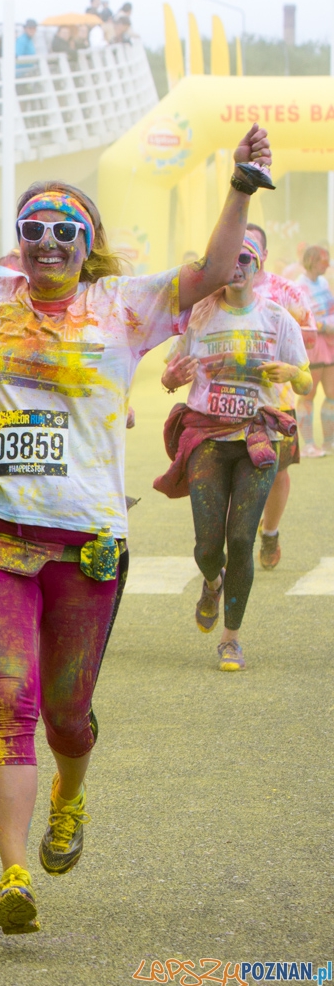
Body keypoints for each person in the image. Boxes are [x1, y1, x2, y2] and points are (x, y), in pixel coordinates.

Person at [0, 119, 271, 935]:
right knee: (12, 702)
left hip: (88, 540)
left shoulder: (126, 305)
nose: (44, 243)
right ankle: (10, 873)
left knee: (71, 713)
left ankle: (70, 799)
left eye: (62, 231)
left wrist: (242, 184)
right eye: (31, 230)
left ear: (87, 244)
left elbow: (214, 268)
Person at [155, 233, 309, 673]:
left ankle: (231, 638)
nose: (236, 267)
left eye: (245, 259)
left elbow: (304, 383)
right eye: (228, 260)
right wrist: (172, 375)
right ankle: (212, 580)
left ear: (258, 266)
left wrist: (291, 372)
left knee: (241, 537)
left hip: (258, 439)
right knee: (208, 545)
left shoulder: (278, 320)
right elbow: (170, 376)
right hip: (207, 437)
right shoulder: (198, 315)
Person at [246, 224, 317, 569]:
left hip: (279, 400)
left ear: (265, 253)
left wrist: (285, 360)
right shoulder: (216, 289)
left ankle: (270, 532)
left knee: (276, 471)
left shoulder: (285, 291)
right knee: (227, 470)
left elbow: (312, 341)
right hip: (230, 402)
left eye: (252, 248)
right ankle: (235, 537)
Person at [296, 244, 334, 455]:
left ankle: (329, 441)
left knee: (332, 394)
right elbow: (304, 316)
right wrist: (325, 325)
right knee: (308, 395)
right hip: (314, 345)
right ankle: (308, 444)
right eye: (323, 259)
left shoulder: (323, 282)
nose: (327, 264)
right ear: (311, 260)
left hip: (330, 343)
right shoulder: (299, 286)